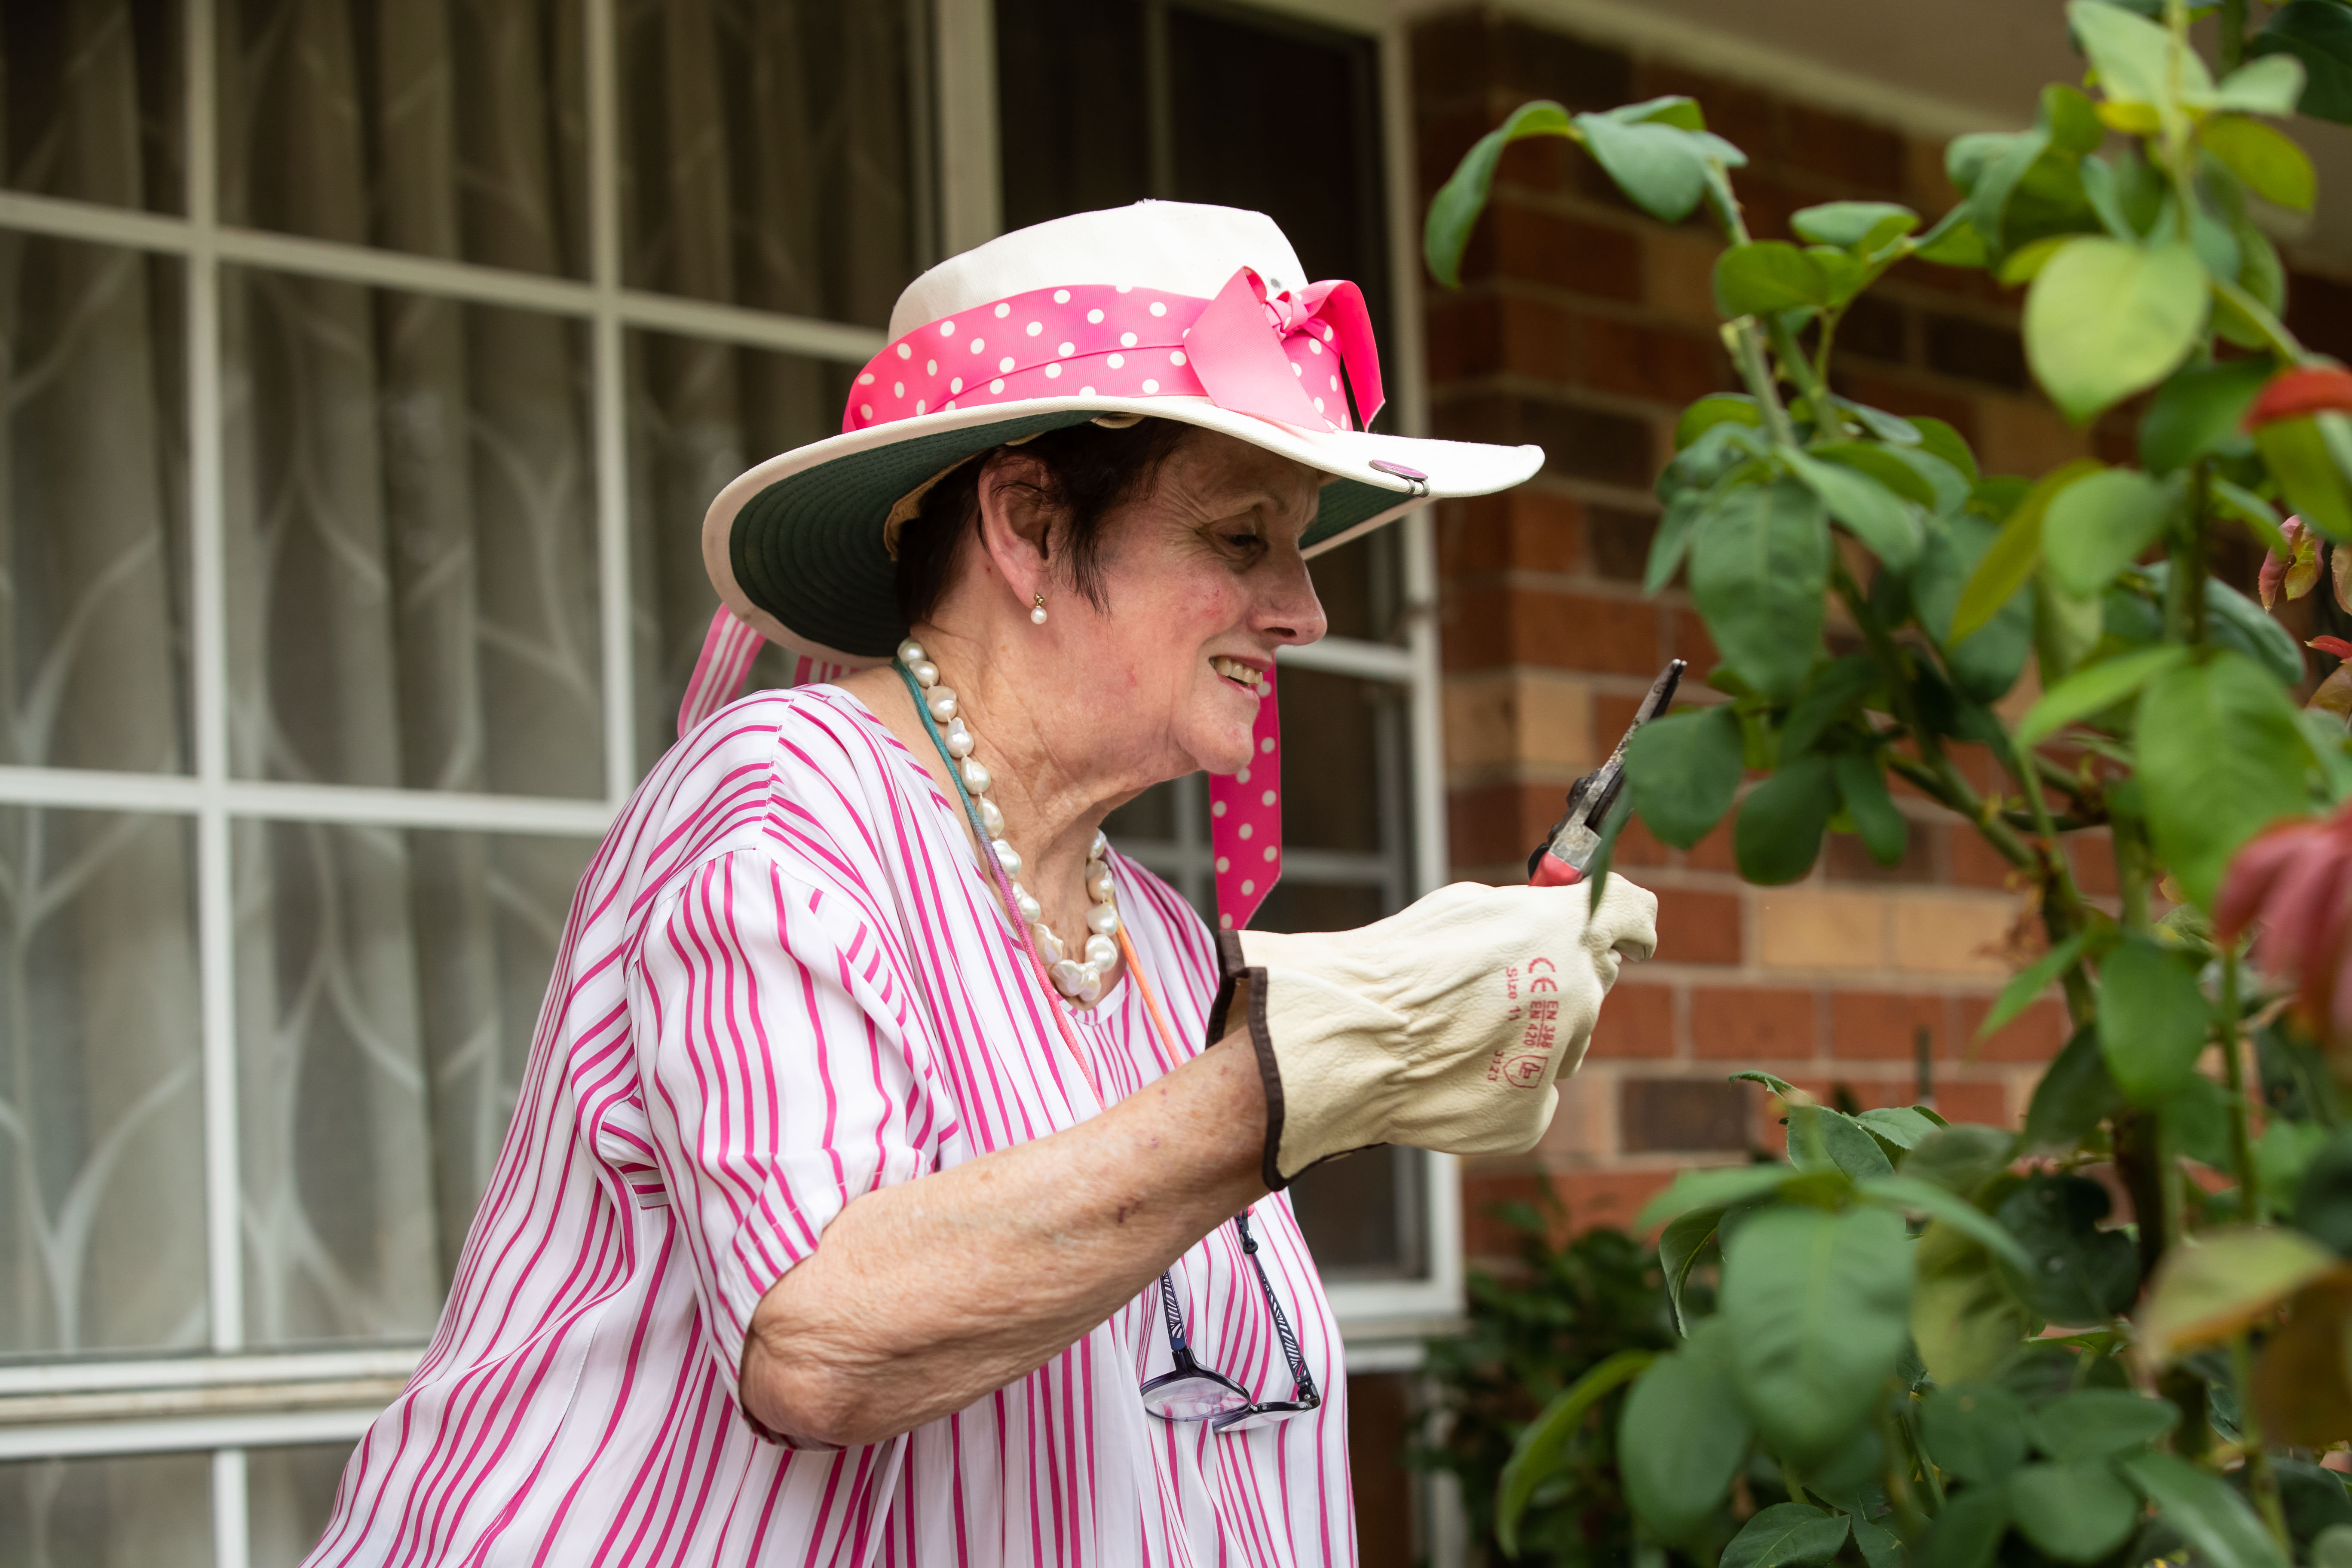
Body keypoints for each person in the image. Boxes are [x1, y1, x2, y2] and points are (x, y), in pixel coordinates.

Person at [301, 201, 1657, 1567]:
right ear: (1024, 523)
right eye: (1244, 537)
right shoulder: (784, 806)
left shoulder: (1168, 949)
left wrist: (1355, 1057)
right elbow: (820, 1342)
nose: (1304, 609)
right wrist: (1282, 1083)